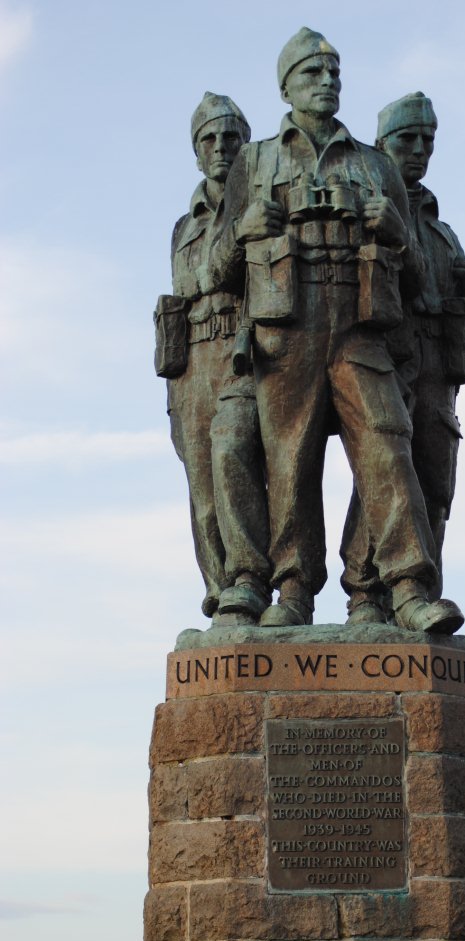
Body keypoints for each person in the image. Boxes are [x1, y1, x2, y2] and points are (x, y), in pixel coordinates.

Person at [212, 29, 464, 633]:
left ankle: (404, 588)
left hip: (360, 326)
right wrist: (246, 227)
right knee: (289, 461)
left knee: (387, 445)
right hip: (287, 326)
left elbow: (423, 279)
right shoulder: (256, 160)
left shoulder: (376, 165)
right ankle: (293, 589)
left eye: (333, 74)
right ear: (286, 86)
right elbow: (217, 271)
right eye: (311, 74)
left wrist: (397, 231)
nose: (326, 83)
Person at [341, 93, 465, 622]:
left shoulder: (445, 234)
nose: (420, 150)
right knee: (382, 476)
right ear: (381, 146)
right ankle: (367, 594)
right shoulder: (368, 213)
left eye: (428, 140)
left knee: (435, 487)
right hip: (386, 360)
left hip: (437, 375)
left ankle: (420, 597)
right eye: (407, 139)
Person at [155, 92, 271, 623]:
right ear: (196, 152)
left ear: (246, 145)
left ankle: (250, 576)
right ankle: (222, 593)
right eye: (210, 139)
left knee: (232, 457)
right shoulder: (184, 226)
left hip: (243, 351)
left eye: (231, 137)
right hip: (190, 364)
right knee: (202, 490)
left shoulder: (263, 203)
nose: (221, 147)